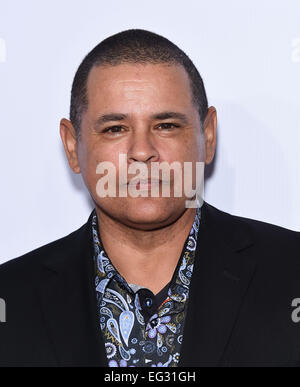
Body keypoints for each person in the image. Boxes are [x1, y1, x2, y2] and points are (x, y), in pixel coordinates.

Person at [0, 29, 299, 367]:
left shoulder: (292, 273)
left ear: (208, 135)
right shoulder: (11, 298)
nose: (142, 152)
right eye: (115, 128)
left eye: (166, 125)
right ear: (73, 146)